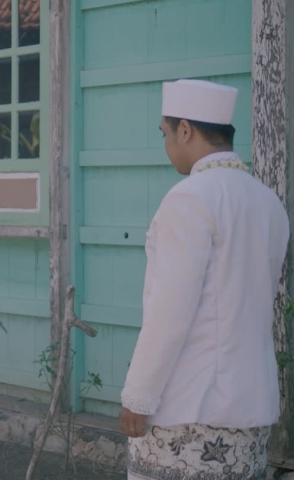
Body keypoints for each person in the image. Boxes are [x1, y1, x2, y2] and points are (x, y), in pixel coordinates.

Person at [120, 79, 290, 479]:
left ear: (184, 130)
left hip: (190, 407)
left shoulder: (189, 198)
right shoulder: (268, 202)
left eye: (164, 133)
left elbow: (169, 312)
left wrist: (138, 395)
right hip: (251, 407)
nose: (166, 146)